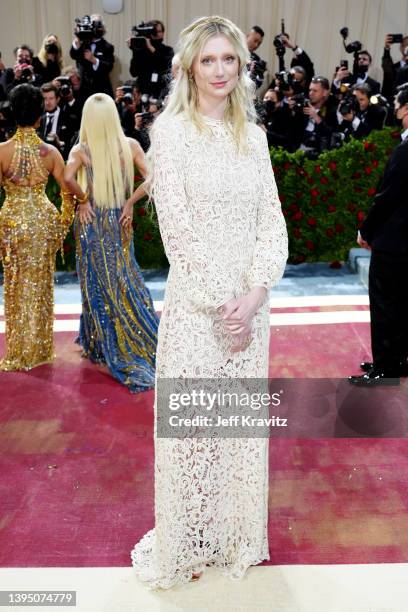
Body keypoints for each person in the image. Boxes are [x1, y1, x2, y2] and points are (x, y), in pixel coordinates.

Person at [130, 15, 288, 588]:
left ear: (240, 68)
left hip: (250, 306)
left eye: (229, 60)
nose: (220, 71)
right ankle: (189, 535)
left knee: (238, 430)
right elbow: (177, 232)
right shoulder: (170, 136)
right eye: (208, 60)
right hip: (202, 311)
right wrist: (227, 307)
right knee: (195, 429)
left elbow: (272, 221)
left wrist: (256, 293)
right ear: (189, 68)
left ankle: (233, 533)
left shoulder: (256, 137)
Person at [64, 93, 158, 393]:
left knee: (94, 280)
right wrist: (130, 203)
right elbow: (154, 178)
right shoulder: (129, 145)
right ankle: (131, 335)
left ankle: (101, 341)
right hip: (119, 221)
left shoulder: (82, 150)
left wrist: (82, 200)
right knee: (124, 277)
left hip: (91, 222)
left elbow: (67, 178)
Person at [0, 84, 75, 370]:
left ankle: (19, 350)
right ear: (39, 116)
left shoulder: (3, 152)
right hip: (43, 223)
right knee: (41, 286)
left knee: (16, 285)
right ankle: (40, 349)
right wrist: (62, 224)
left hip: (13, 224)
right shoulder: (51, 153)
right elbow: (68, 191)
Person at [349, 85, 408, 386]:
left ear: (406, 109)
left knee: (386, 303)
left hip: (395, 242)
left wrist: (365, 229)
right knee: (402, 304)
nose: (395, 111)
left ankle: (385, 368)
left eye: (398, 106)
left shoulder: (404, 150)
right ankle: (396, 359)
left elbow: (385, 198)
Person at [70, 14, 115, 99]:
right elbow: (73, 55)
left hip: (101, 89)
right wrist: (78, 40)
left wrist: (94, 60)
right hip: (84, 90)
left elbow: (109, 67)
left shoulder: (108, 47)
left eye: (97, 25)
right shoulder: (83, 44)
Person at [128, 19, 174, 98]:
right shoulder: (141, 51)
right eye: (154, 31)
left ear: (163, 33)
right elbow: (133, 72)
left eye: (159, 31)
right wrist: (135, 51)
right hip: (143, 90)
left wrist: (151, 48)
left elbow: (166, 66)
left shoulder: (167, 50)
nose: (157, 34)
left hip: (160, 90)